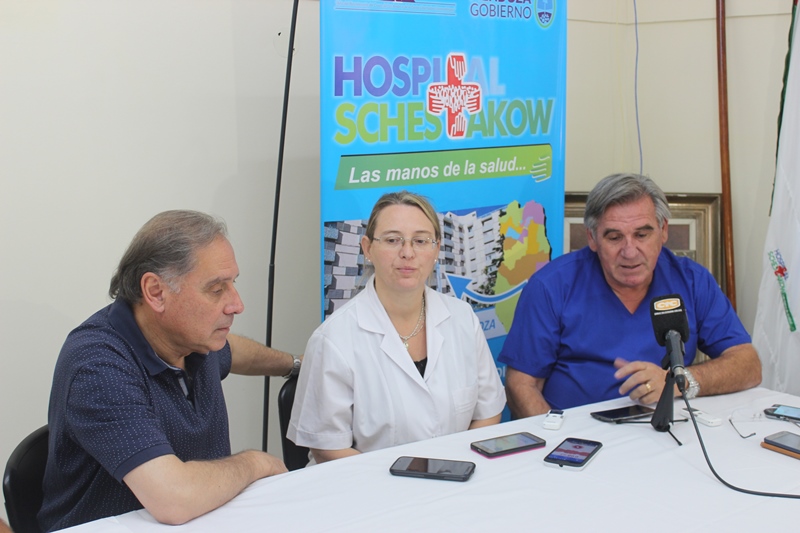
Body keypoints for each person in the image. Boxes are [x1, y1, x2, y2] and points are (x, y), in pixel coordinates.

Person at [39, 210, 301, 531]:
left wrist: (295, 363)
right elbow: (173, 499)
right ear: (156, 292)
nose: (236, 304)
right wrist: (256, 462)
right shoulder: (98, 365)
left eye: (233, 284)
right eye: (216, 289)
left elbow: (235, 351)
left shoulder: (194, 339)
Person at [499, 173, 761, 418]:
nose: (630, 251)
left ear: (663, 231)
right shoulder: (551, 286)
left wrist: (679, 382)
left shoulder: (692, 280)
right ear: (592, 238)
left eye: (642, 235)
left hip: (665, 427)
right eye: (614, 237)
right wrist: (560, 442)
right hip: (579, 435)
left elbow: (748, 364)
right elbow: (521, 385)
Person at [288, 191, 506, 463]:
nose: (407, 253)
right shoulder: (333, 339)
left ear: (436, 249)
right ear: (368, 248)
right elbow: (327, 447)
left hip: (456, 476)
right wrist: (411, 478)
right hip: (364, 484)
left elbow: (488, 412)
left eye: (421, 241)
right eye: (393, 240)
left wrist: (455, 468)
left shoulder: (463, 319)